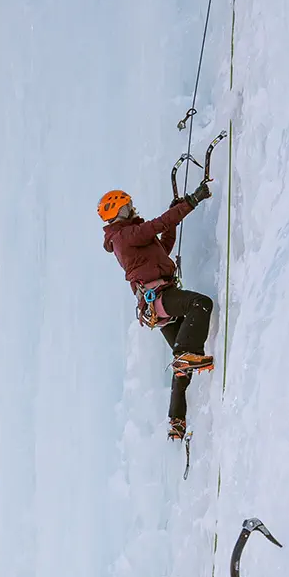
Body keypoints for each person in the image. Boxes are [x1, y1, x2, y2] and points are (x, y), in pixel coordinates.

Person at [99, 183, 214, 440]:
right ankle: (187, 354)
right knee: (201, 304)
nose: (133, 208)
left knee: (182, 365)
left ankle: (176, 420)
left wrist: (174, 214)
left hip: (155, 306)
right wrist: (192, 202)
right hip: (159, 297)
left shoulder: (129, 238)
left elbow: (164, 244)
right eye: (128, 206)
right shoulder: (125, 236)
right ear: (120, 211)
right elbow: (157, 225)